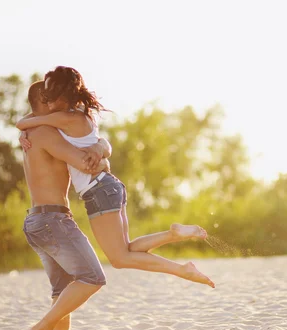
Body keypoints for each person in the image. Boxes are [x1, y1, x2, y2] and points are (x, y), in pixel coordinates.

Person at [17, 66, 215, 289]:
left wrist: (25, 131)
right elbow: (101, 143)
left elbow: (24, 122)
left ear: (63, 97)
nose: (50, 101)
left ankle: (182, 270)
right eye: (47, 97)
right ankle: (173, 234)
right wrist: (102, 151)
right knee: (127, 250)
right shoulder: (80, 114)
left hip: (98, 190)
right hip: (108, 187)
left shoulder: (63, 118)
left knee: (120, 259)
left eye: (52, 96)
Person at [21, 80, 113, 330]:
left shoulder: (34, 132)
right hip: (52, 220)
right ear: (47, 103)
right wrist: (102, 152)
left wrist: (102, 145)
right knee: (93, 277)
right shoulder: (47, 134)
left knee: (62, 291)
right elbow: (84, 161)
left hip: (37, 221)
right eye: (58, 98)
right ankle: (42, 328)